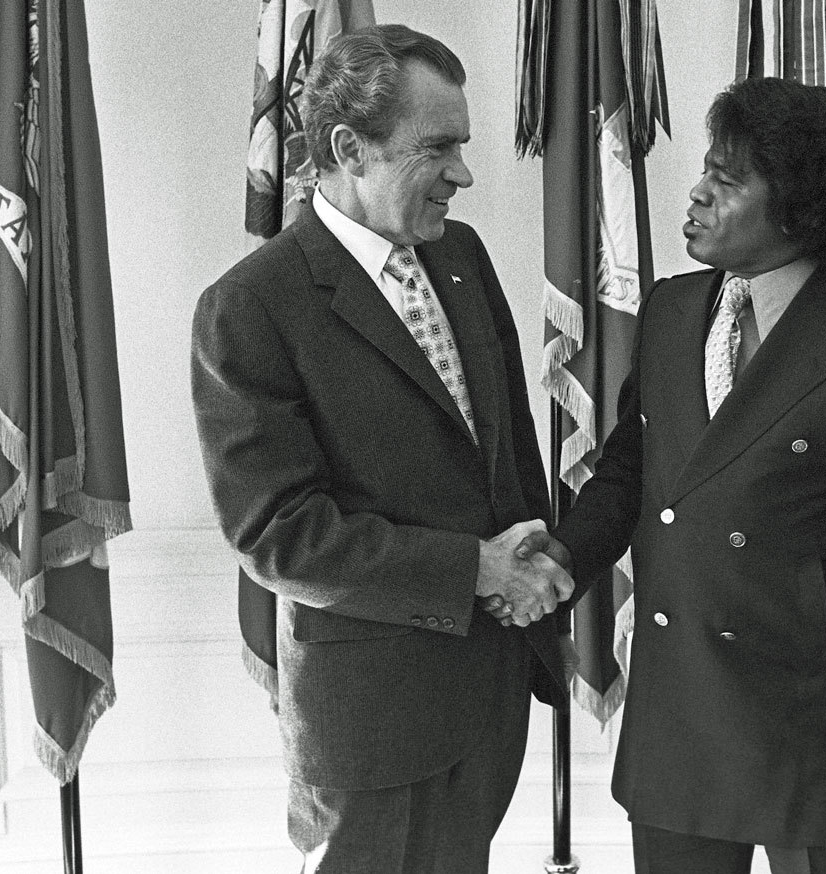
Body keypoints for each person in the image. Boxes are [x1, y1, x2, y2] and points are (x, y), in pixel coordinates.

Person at [512, 78, 826, 873]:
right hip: (678, 710)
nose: (697, 193)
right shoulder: (670, 309)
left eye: (728, 179)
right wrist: (563, 560)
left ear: (799, 206)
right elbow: (632, 470)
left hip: (815, 723)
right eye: (706, 171)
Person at [191, 24, 572, 873]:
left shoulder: (461, 254)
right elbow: (278, 534)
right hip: (372, 728)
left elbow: (503, 447)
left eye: (462, 145)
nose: (463, 174)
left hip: (490, 692)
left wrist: (529, 577)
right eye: (437, 148)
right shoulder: (250, 306)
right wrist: (476, 569)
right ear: (347, 148)